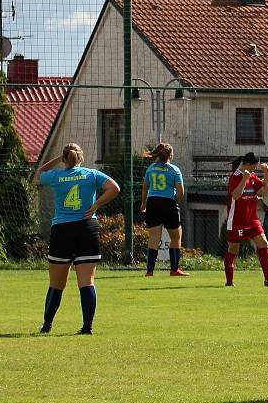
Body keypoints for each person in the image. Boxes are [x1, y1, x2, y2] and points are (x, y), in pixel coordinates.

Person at [34, 143, 120, 334]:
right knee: (87, 282)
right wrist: (96, 204)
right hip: (87, 228)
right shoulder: (91, 174)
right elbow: (114, 188)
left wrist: (58, 158)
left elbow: (39, 172)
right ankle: (87, 327)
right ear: (81, 158)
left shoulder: (56, 176)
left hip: (62, 230)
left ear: (65, 158)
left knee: (56, 284)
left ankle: (47, 325)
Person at [224, 152, 268, 287]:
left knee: (263, 243)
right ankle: (229, 281)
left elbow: (265, 191)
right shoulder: (235, 176)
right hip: (237, 220)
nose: (254, 169)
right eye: (254, 166)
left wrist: (267, 174)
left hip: (252, 219)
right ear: (248, 164)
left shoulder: (252, 175)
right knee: (233, 249)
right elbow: (235, 195)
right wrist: (244, 180)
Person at [140, 143, 188, 277]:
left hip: (152, 202)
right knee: (176, 236)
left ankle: (149, 271)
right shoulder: (174, 170)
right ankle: (174, 269)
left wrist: (144, 203)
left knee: (154, 238)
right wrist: (175, 203)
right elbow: (180, 191)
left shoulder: (151, 168)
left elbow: (145, 187)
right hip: (168, 203)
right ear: (170, 155)